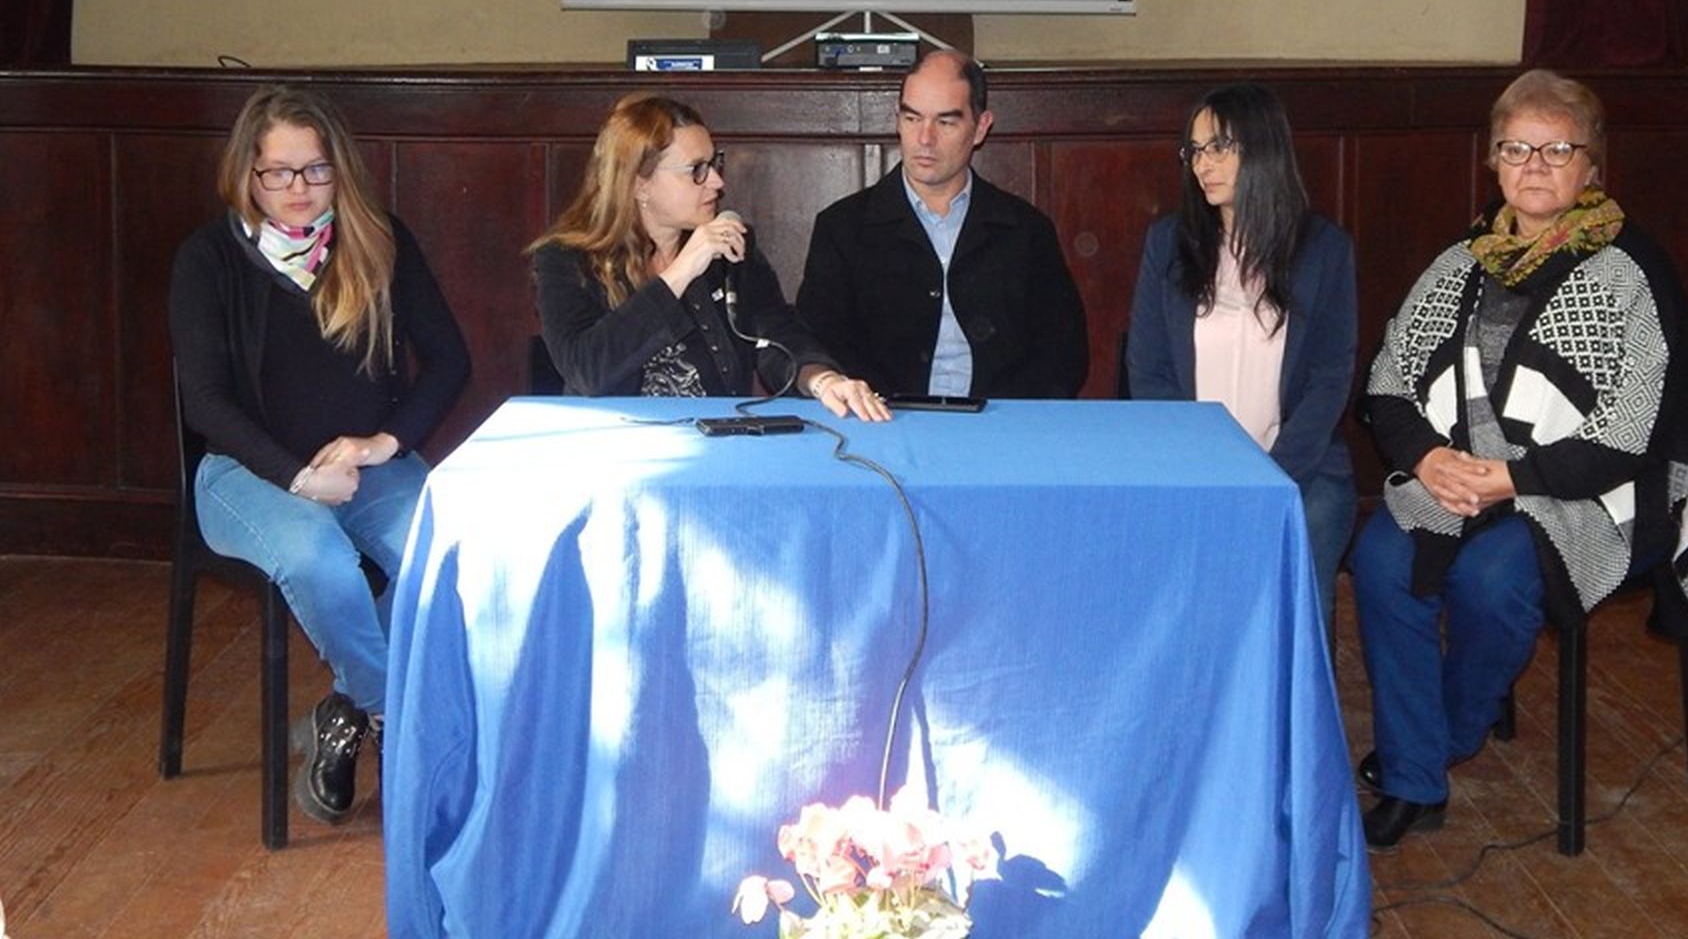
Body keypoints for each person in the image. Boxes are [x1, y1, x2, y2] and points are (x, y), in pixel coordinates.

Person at [1350, 69, 1688, 851]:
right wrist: (1426, 459)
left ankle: (1435, 744)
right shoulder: (1460, 262)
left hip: (1594, 494)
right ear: (1493, 161)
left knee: (1492, 581)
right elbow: (1388, 383)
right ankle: (1418, 776)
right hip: (1462, 478)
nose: (1534, 165)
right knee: (1381, 558)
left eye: (1558, 149)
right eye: (1516, 148)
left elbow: (1635, 430)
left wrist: (1513, 478)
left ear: (1592, 166)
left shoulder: (1630, 271)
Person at [169, 85, 470, 824]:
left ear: (341, 169)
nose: (298, 189)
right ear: (247, 173)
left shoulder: (379, 239)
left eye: (315, 170)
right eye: (278, 171)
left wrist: (382, 443)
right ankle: (397, 720)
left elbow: (449, 360)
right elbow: (206, 402)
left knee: (446, 554)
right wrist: (299, 477)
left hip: (371, 464)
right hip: (248, 471)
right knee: (322, 563)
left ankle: (343, 712)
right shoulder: (207, 258)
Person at [1125, 83, 1358, 637]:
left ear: (1263, 148)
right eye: (1194, 150)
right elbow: (1148, 371)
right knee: (1188, 603)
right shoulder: (1169, 242)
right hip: (1191, 465)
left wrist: (1272, 476)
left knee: (1300, 582)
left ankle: (1295, 694)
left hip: (1300, 468)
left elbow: (1331, 375)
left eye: (1219, 148)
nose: (1202, 164)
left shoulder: (1323, 249)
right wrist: (1210, 468)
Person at [530, 93, 890, 420]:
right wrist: (683, 269)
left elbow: (776, 331)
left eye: (715, 164)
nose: (717, 181)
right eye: (697, 170)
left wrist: (822, 380)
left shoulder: (728, 247)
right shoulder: (565, 259)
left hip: (716, 436)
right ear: (640, 184)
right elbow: (587, 370)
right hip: (617, 446)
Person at [797, 50, 1089, 400]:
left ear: (980, 128)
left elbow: (1062, 355)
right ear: (897, 120)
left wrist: (1009, 420)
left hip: (1001, 420)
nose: (925, 138)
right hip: (881, 418)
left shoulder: (1025, 230)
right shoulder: (842, 228)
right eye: (912, 118)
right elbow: (819, 347)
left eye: (946, 122)